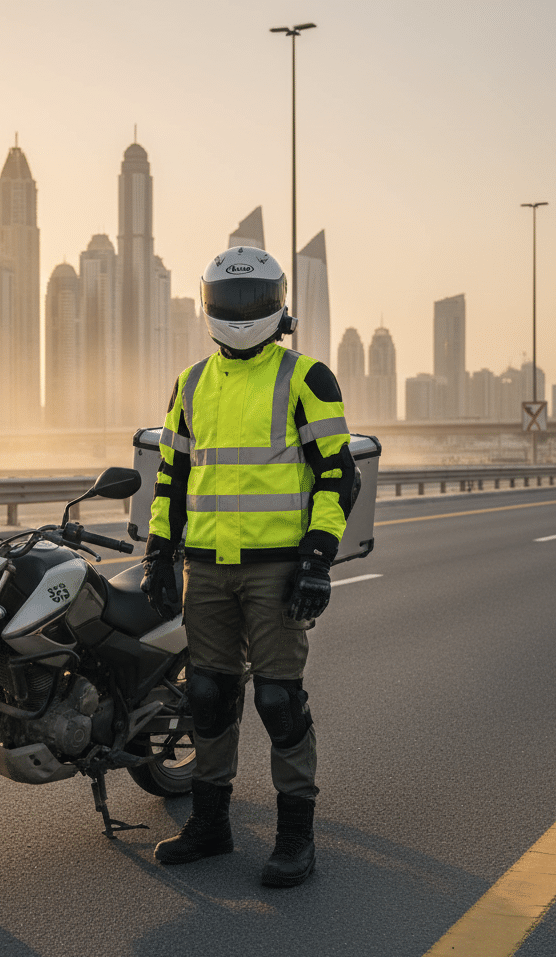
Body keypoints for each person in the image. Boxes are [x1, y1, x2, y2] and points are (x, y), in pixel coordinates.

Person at [141, 246, 355, 887]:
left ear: (278, 303)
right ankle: (212, 825)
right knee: (207, 696)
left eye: (252, 300)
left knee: (279, 700)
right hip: (204, 567)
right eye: (229, 302)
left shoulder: (308, 377)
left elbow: (336, 476)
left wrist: (317, 560)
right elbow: (171, 477)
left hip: (277, 569)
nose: (240, 313)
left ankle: (296, 838)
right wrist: (158, 552)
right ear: (208, 305)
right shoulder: (191, 382)